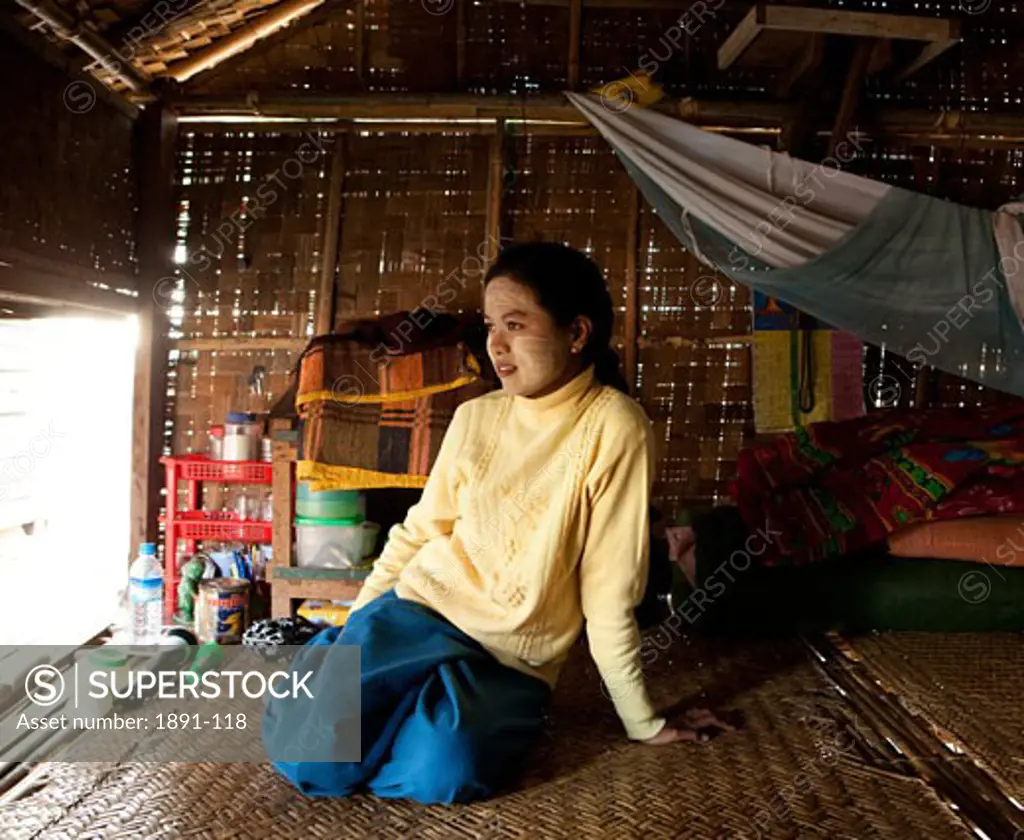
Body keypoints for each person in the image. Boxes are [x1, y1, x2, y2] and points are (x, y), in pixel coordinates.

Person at [266, 242, 726, 805]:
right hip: (416, 615)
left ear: (576, 333)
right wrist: (361, 635)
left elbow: (608, 589)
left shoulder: (614, 425)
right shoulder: (475, 417)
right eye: (490, 326)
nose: (496, 346)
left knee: (448, 771)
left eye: (515, 324)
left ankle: (410, 712)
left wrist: (640, 719)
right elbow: (418, 531)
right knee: (308, 756)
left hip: (508, 660)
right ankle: (363, 677)